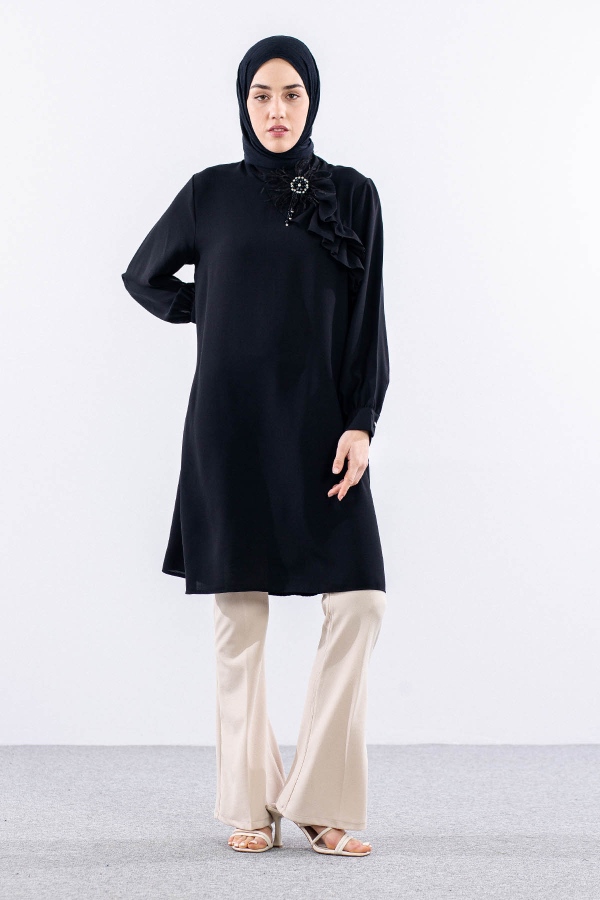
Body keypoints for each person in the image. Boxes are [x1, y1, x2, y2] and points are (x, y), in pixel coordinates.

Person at [121, 35, 390, 857]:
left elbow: (369, 317)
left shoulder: (353, 195)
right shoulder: (210, 194)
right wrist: (211, 307)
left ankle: (316, 796)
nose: (277, 111)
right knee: (240, 618)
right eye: (261, 95)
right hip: (230, 425)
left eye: (291, 95)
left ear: (313, 101)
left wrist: (361, 421)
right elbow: (143, 276)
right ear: (243, 103)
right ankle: (249, 802)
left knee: (359, 602)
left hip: (321, 427)